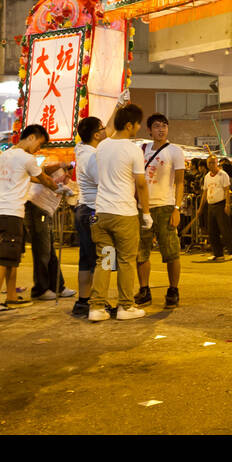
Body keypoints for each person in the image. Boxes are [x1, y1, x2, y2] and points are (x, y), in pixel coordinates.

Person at [0, 126, 59, 314]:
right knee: (3, 259)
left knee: (12, 258)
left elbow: (25, 178)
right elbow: (44, 180)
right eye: (39, 144)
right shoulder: (27, 158)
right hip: (11, 213)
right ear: (32, 137)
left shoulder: (6, 155)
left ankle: (11, 296)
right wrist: (60, 189)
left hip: (2, 212)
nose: (38, 149)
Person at [88, 103, 151, 322]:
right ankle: (126, 306)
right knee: (126, 260)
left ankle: (96, 307)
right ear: (129, 125)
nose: (138, 128)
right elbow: (141, 185)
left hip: (102, 213)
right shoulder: (133, 149)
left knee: (104, 261)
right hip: (124, 214)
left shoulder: (102, 146)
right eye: (137, 125)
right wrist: (147, 213)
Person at [136, 113, 184, 309]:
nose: (161, 129)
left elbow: (180, 182)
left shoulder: (175, 151)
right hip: (142, 208)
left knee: (171, 252)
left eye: (164, 125)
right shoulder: (142, 150)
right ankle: (144, 289)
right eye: (156, 126)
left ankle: (173, 290)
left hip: (165, 207)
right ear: (149, 130)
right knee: (141, 253)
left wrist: (177, 208)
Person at [72, 116, 106, 319]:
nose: (105, 131)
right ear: (96, 134)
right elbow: (104, 181)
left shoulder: (81, 149)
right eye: (102, 129)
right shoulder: (93, 157)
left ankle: (83, 302)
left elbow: (108, 129)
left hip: (84, 209)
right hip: (96, 211)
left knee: (86, 258)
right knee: (105, 257)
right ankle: (99, 301)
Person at [25, 162, 74, 301]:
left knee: (49, 250)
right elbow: (44, 170)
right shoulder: (56, 168)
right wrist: (61, 165)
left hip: (46, 211)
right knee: (42, 250)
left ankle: (58, 286)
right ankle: (40, 289)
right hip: (37, 207)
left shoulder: (71, 180)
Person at [203, 155, 232, 262]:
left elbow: (227, 190)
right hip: (211, 205)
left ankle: (231, 252)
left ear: (217, 163)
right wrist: (201, 207)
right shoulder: (207, 176)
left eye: (213, 162)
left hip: (221, 204)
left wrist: (227, 204)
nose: (211, 165)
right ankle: (217, 253)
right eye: (209, 163)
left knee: (225, 228)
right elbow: (205, 191)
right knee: (212, 231)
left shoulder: (223, 175)